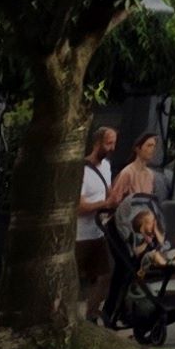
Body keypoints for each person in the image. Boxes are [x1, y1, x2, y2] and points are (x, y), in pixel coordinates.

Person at [75, 127, 120, 316]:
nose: (112, 148)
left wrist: (112, 204)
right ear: (97, 143)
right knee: (75, 277)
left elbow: (108, 191)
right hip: (81, 234)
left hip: (98, 231)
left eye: (114, 143)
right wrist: (104, 203)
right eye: (108, 143)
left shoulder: (107, 167)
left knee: (103, 276)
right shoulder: (82, 171)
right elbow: (79, 206)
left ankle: (92, 313)